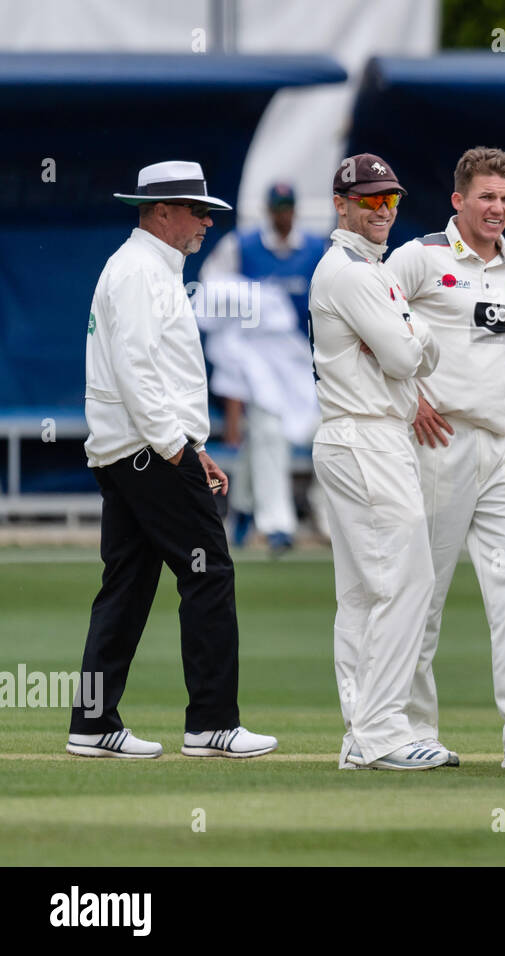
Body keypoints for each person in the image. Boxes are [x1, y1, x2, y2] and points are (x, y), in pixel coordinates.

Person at [69, 160, 278, 760]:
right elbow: (138, 371)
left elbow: (157, 370)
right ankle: (212, 722)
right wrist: (177, 447)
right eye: (197, 210)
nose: (207, 222)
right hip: (147, 451)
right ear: (161, 211)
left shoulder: (145, 267)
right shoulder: (139, 271)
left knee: (126, 587)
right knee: (209, 573)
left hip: (134, 450)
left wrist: (197, 446)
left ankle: (91, 721)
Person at [386, 147, 505, 770]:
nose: (497, 209)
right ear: (458, 199)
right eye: (486, 198)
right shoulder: (420, 257)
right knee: (424, 592)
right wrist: (409, 397)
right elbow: (362, 324)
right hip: (438, 444)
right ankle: (411, 731)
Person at [309, 153, 445, 771]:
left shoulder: (375, 270)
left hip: (370, 434)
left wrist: (407, 339)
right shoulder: (352, 273)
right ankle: (382, 729)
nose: (382, 211)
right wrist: (407, 339)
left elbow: (422, 349)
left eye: (390, 200)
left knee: (366, 592)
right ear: (341, 205)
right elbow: (403, 355)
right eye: (369, 201)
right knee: (405, 580)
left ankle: (363, 729)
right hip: (364, 434)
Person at [200, 182, 329, 553]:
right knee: (270, 430)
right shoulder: (241, 246)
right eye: (278, 207)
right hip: (259, 367)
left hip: (304, 366)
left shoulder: (317, 249)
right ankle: (277, 526)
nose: (283, 214)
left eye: (289, 206)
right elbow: (213, 290)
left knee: (328, 432)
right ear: (270, 210)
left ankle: (244, 507)